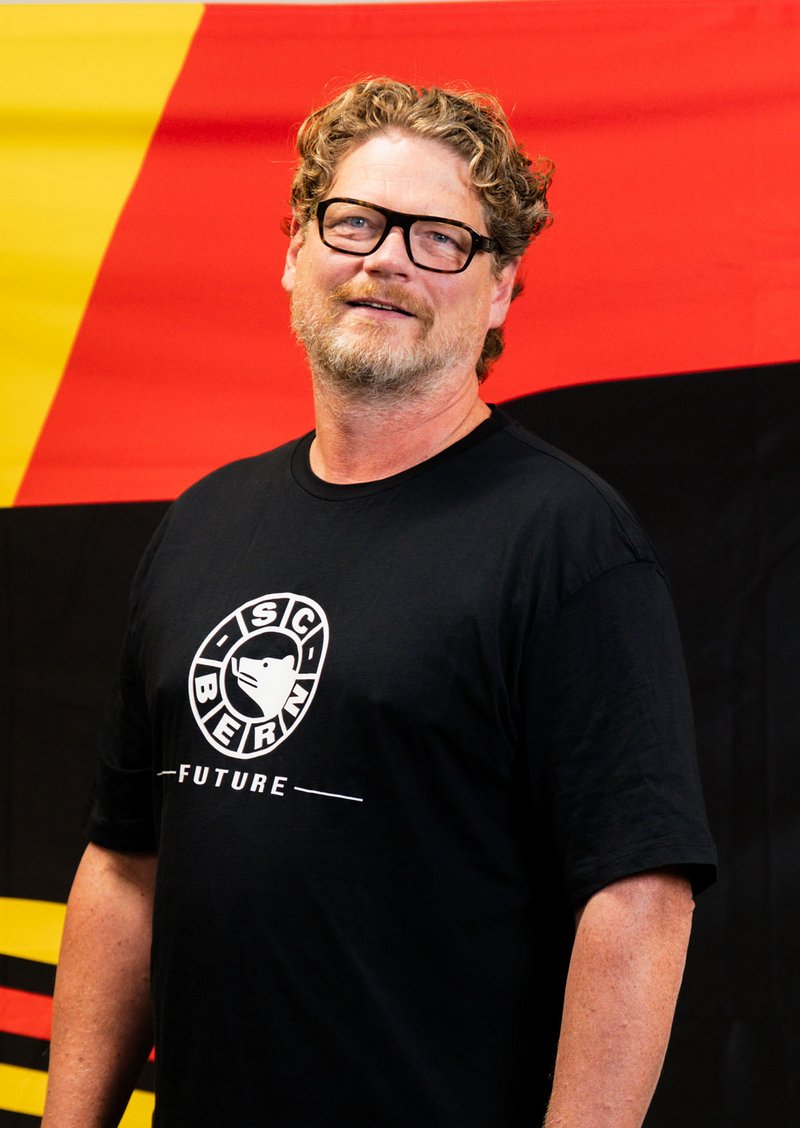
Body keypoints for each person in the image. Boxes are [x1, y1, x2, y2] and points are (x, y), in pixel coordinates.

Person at [43, 78, 716, 1127]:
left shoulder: (568, 543)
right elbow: (127, 862)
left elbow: (637, 898)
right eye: (353, 221)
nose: (386, 259)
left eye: (438, 238)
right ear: (294, 251)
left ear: (499, 289)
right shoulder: (204, 523)